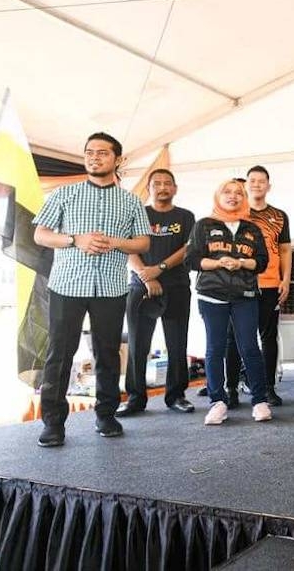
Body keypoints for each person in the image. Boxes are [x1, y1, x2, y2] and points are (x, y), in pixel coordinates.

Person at [32, 132, 150, 447]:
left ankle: (106, 415)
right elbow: (41, 235)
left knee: (108, 354)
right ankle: (53, 423)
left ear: (117, 159)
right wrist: (75, 239)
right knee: (60, 354)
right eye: (89, 152)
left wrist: (115, 242)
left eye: (102, 152)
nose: (94, 157)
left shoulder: (131, 201)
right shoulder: (63, 194)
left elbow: (143, 242)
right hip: (66, 285)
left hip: (111, 287)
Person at [186, 179, 272, 425]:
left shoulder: (251, 228)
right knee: (214, 348)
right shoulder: (204, 225)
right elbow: (192, 260)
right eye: (227, 191)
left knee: (249, 347)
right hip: (211, 294)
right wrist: (219, 262)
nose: (233, 196)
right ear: (217, 195)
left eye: (238, 193)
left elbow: (262, 261)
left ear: (244, 197)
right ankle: (218, 402)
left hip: (245, 295)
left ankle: (259, 400)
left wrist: (242, 263)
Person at [117, 169, 196, 417]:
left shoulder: (185, 216)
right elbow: (127, 246)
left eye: (167, 183)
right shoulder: (137, 214)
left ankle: (176, 395)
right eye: (157, 183)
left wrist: (159, 269)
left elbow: (188, 249)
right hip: (141, 288)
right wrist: (145, 275)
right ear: (148, 188)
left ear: (175, 188)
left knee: (176, 343)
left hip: (177, 286)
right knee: (138, 345)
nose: (162, 187)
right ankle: (135, 398)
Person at [222, 166, 291, 408]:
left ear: (268, 186)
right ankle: (230, 389)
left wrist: (286, 279)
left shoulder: (279, 215)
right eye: (252, 181)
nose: (257, 185)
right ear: (246, 185)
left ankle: (268, 388)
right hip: (239, 286)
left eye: (262, 181)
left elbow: (284, 250)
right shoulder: (233, 214)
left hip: (271, 284)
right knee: (234, 338)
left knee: (268, 337)